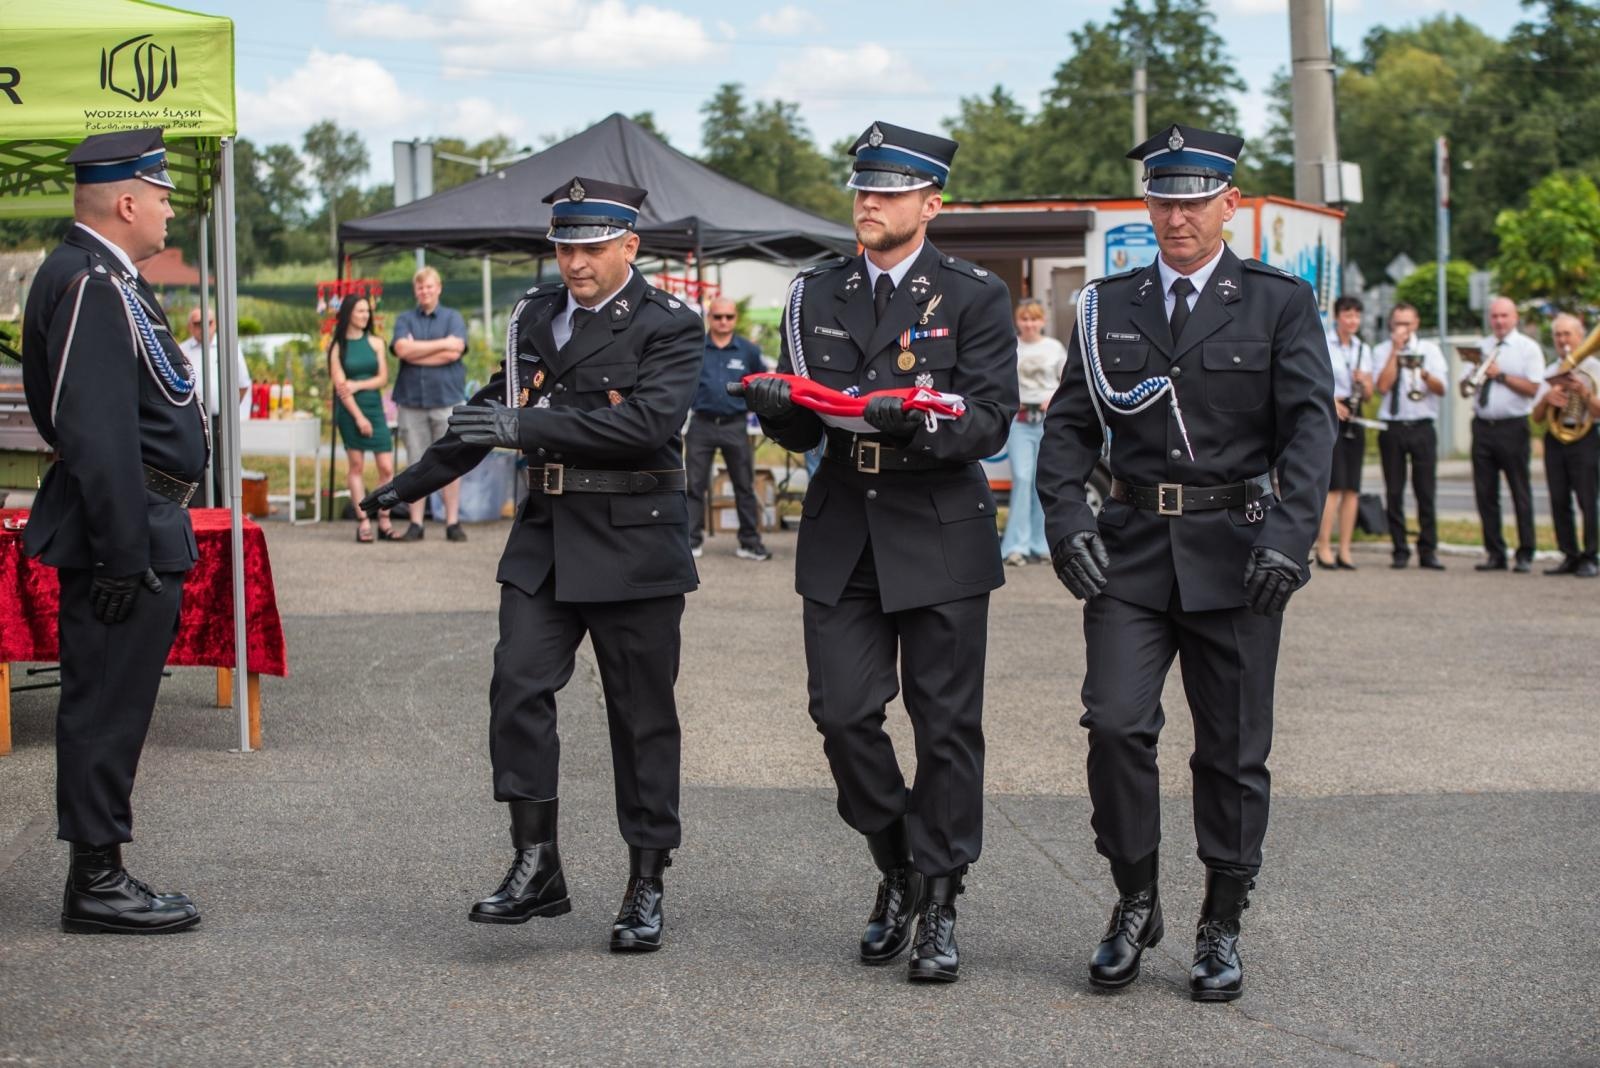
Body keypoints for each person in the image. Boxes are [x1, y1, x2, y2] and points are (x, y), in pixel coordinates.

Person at [360, 177, 703, 951]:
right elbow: (493, 410)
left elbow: (647, 425)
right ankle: (536, 860)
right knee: (517, 683)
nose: (575, 262)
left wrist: (529, 425)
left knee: (641, 716)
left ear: (629, 245)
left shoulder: (669, 323)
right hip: (547, 535)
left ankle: (646, 879)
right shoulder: (536, 316)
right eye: (564, 247)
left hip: (633, 538)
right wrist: (409, 484)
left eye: (591, 248)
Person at [1036, 124, 1334, 1002]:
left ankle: (1222, 919)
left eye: (1196, 201)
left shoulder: (1277, 302)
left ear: (1229, 205)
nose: (1178, 217)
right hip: (1129, 552)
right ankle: (1135, 898)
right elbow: (1069, 425)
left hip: (1238, 554)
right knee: (1115, 725)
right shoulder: (1107, 305)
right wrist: (1065, 518)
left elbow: (1311, 429)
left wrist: (1290, 537)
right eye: (1164, 201)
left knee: (1233, 751)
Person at [741, 121, 1017, 984]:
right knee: (842, 713)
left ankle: (941, 899)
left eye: (890, 191)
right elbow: (803, 420)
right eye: (864, 187)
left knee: (946, 727)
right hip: (844, 523)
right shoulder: (813, 293)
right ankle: (897, 862)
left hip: (935, 520)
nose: (870, 202)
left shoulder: (973, 295)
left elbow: (991, 421)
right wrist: (779, 414)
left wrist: (919, 425)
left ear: (930, 204)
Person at [19, 128, 208, 934]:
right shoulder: (90, 283)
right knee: (102, 709)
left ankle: (102, 871)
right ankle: (95, 881)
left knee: (116, 708)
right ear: (127, 201)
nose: (170, 210)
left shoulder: (106, 278)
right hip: (123, 529)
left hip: (142, 518)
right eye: (162, 196)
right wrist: (124, 554)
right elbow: (95, 433)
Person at [685, 296, 771, 560]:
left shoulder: (749, 351)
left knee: (744, 485)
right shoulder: (695, 348)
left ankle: (749, 542)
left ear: (735, 318)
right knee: (694, 486)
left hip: (735, 425)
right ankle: (690, 542)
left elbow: (761, 384)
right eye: (718, 316)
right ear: (709, 317)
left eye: (729, 316)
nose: (723, 321)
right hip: (701, 424)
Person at [391, 266, 470, 541]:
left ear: (439, 288)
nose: (424, 291)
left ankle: (452, 522)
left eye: (429, 286)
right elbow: (401, 349)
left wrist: (416, 351)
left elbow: (456, 351)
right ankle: (416, 523)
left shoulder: (453, 317)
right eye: (420, 287)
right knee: (415, 463)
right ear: (416, 291)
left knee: (450, 462)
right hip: (411, 402)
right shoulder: (404, 319)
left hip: (447, 399)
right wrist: (443, 344)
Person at [1464, 297, 1543, 572]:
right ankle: (1494, 552)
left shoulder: (1527, 348)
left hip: (1513, 427)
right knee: (1485, 493)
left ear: (1515, 317)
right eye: (1495, 316)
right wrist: (1472, 376)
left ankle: (1525, 552)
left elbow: (1534, 388)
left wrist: (1500, 375)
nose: (1499, 321)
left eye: (1504, 316)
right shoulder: (1481, 346)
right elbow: (1465, 386)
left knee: (1520, 491)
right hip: (1483, 426)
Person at [1373, 302, 1449, 570]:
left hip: (1422, 426)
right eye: (1397, 324)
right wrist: (1395, 351)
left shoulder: (1430, 350)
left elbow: (1442, 389)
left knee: (1425, 491)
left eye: (1406, 323)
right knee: (1394, 491)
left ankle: (1428, 550)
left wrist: (1422, 371)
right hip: (1393, 427)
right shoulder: (1381, 350)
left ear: (1416, 324)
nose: (1402, 329)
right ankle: (1400, 549)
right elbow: (1382, 387)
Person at [1000, 299, 1068, 566]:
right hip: (1019, 421)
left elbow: (1068, 381)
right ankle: (1015, 546)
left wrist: (1053, 398)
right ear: (1017, 321)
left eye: (1034, 319)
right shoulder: (1011, 346)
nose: (1029, 324)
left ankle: (1042, 544)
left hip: (1046, 421)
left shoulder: (1054, 347)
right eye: (1024, 319)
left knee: (1043, 481)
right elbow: (1000, 381)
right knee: (1022, 478)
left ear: (1043, 321)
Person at [1532, 312, 1600, 577]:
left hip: (1585, 437)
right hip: (1556, 439)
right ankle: (1569, 554)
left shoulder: (1594, 368)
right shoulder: (1551, 371)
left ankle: (1591, 555)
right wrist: (1547, 398)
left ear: (1581, 337)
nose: (1562, 340)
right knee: (1559, 499)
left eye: (1567, 334)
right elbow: (1537, 417)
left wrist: (1584, 393)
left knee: (1588, 499)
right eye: (1558, 335)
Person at [328, 294, 400, 542]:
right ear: (348, 313)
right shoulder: (337, 347)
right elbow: (341, 388)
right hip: (350, 412)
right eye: (359, 311)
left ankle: (384, 518)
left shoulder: (377, 343)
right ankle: (363, 522)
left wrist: (358, 384)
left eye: (367, 311)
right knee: (356, 466)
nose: (364, 315)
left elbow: (382, 379)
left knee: (386, 467)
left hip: (374, 408)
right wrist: (359, 418)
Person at [1313, 295, 1373, 569]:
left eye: (1357, 316)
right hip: (1332, 410)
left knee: (1352, 487)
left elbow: (1370, 393)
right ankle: (1324, 545)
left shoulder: (1363, 349)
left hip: (1355, 412)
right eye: (1348, 315)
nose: (1353, 321)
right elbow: (1315, 378)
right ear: (1337, 317)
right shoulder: (1325, 343)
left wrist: (1364, 382)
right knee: (1335, 485)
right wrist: (1331, 401)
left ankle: (1345, 549)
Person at [178, 308, 249, 505]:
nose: (203, 328)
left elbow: (242, 384)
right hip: (192, 421)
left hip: (219, 420)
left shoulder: (228, 348)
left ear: (215, 324)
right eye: (197, 323)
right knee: (195, 471)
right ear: (190, 327)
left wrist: (228, 411)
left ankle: (224, 509)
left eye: (207, 323)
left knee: (221, 470)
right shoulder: (182, 351)